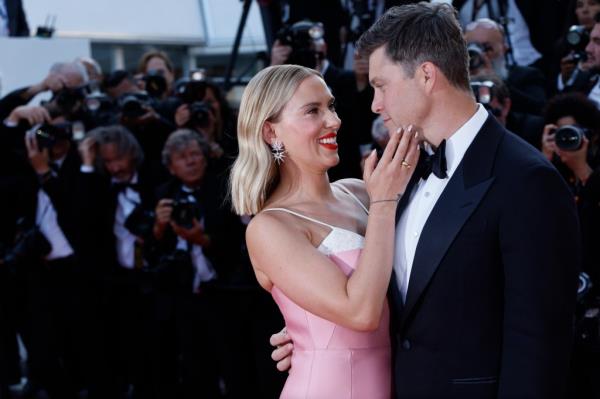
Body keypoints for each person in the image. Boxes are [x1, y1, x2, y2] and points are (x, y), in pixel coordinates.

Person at [271, 3, 580, 398]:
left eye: (381, 85)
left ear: (426, 75)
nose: (374, 104)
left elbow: (538, 348)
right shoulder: (403, 171)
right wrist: (317, 331)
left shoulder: (528, 181)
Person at [229, 64, 419, 398]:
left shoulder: (362, 192)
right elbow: (360, 313)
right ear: (271, 133)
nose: (334, 121)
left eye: (330, 106)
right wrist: (385, 200)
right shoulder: (270, 227)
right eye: (312, 111)